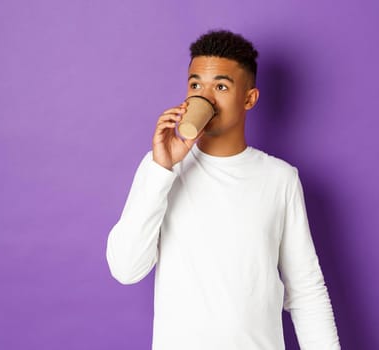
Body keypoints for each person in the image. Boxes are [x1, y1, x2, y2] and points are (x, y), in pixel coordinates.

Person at [106, 29, 340, 350]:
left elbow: (306, 292)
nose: (206, 96)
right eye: (195, 85)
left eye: (220, 86)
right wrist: (162, 169)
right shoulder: (159, 168)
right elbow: (126, 269)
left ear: (249, 98)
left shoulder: (279, 179)